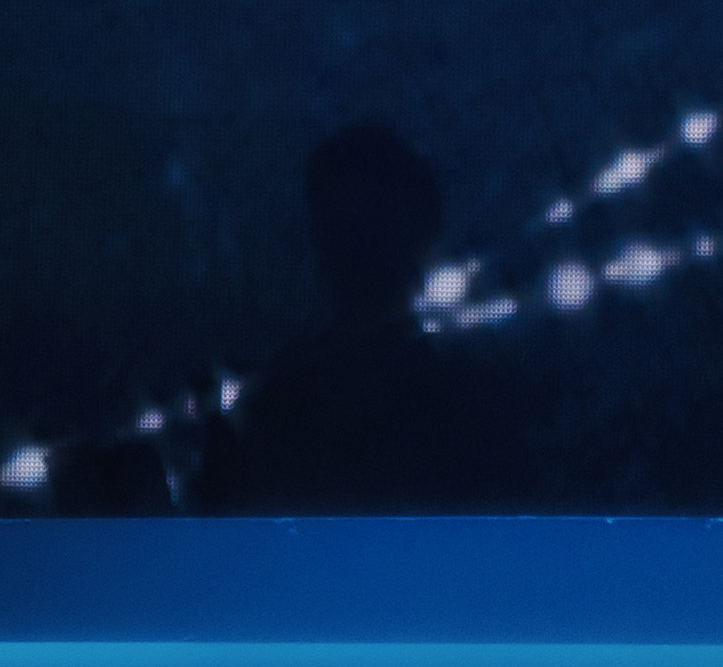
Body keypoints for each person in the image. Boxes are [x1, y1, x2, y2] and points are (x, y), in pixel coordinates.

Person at [190, 122, 536, 514]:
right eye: (342, 228)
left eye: (372, 227)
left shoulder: (283, 398)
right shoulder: (283, 398)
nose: (357, 247)